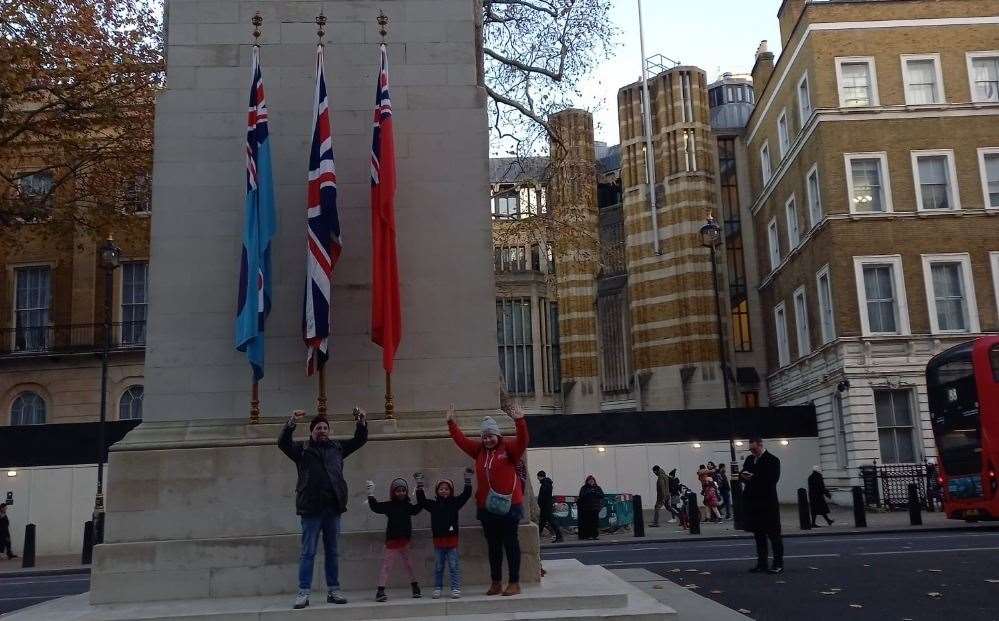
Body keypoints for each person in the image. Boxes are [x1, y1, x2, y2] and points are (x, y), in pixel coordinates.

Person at [278, 408, 368, 609]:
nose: (322, 430)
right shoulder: (301, 450)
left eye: (325, 428)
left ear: (330, 430)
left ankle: (334, 590)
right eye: (318, 428)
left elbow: (359, 440)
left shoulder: (337, 448)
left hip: (332, 508)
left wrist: (361, 422)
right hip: (311, 510)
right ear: (312, 431)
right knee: (308, 552)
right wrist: (291, 422)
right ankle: (303, 592)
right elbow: (283, 443)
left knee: (333, 551)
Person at [446, 401, 529, 597]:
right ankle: (496, 583)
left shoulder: (509, 449)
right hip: (487, 507)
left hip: (510, 506)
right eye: (484, 437)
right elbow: (461, 441)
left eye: (490, 436)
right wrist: (451, 423)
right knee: (493, 547)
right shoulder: (479, 451)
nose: (487, 440)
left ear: (497, 435)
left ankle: (515, 583)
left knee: (510, 544)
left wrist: (520, 421)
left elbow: (523, 441)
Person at [417, 469, 473, 599]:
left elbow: (466, 495)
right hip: (438, 542)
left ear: (451, 491)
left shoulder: (455, 503)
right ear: (437, 491)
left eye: (446, 489)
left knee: (454, 566)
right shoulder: (433, 505)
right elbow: (422, 501)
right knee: (438, 566)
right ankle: (438, 588)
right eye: (441, 489)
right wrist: (419, 484)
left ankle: (455, 588)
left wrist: (467, 480)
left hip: (452, 542)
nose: (444, 491)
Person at [368, 478, 424, 602]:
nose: (401, 493)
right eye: (398, 490)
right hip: (392, 541)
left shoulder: (408, 506)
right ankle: (380, 590)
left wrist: (420, 488)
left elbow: (418, 507)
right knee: (386, 566)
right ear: (393, 492)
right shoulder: (389, 505)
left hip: (404, 540)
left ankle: (415, 586)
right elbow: (376, 507)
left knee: (409, 565)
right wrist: (371, 494)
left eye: (403, 490)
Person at [741, 437, 784, 574]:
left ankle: (778, 564)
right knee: (758, 536)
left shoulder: (772, 460)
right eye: (751, 449)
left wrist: (752, 478)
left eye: (754, 449)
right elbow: (742, 475)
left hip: (768, 503)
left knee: (774, 535)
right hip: (754, 503)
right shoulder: (749, 459)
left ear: (760, 445)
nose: (752, 451)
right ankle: (762, 563)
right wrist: (744, 476)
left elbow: (772, 480)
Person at [536, 471, 563, 543]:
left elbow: (543, 496)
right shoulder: (547, 483)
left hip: (546, 507)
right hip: (546, 506)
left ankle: (559, 536)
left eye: (538, 477)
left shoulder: (545, 484)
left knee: (548, 522)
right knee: (543, 522)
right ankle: (559, 536)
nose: (538, 479)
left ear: (540, 476)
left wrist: (541, 504)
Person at [576, 475, 605, 540]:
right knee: (587, 522)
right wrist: (588, 492)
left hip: (595, 507)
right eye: (590, 480)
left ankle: (594, 535)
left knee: (595, 522)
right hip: (586, 508)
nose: (591, 481)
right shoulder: (584, 488)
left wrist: (595, 492)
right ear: (587, 481)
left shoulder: (597, 488)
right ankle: (587, 535)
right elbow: (581, 496)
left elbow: (602, 495)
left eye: (592, 480)